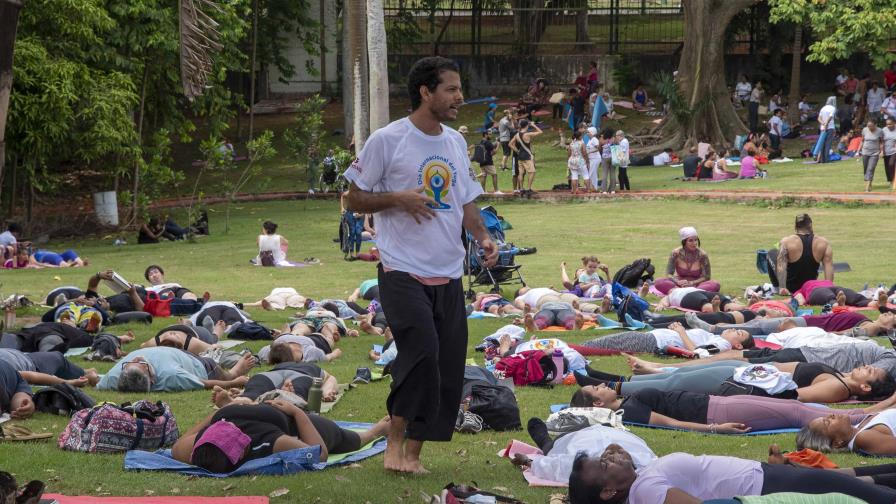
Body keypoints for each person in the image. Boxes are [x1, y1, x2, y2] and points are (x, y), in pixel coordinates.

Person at [343, 56, 498, 474]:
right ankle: (393, 443)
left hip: (448, 271)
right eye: (450, 89)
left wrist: (483, 236)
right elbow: (352, 198)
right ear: (426, 92)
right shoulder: (388, 140)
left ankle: (413, 455)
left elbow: (466, 201)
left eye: (459, 88)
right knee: (420, 353)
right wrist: (397, 198)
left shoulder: (453, 142)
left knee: (447, 367)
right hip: (401, 269)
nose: (459, 97)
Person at [567, 447, 896, 504]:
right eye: (605, 464)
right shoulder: (647, 491)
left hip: (767, 477)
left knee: (865, 485)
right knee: (870, 496)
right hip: (767, 487)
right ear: (608, 492)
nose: (610, 456)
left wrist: (609, 459)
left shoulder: (639, 481)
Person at [571, 384, 889, 433]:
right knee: (797, 414)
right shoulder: (627, 413)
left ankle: (878, 411)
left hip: (720, 403)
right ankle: (875, 417)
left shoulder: (625, 402)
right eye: (596, 389)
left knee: (793, 405)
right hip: (719, 414)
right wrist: (714, 429)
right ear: (598, 403)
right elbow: (670, 424)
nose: (602, 386)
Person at [171, 403, 390, 471]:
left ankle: (377, 430)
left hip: (292, 419)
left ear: (245, 451)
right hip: (232, 412)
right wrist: (223, 411)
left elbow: (319, 455)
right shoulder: (193, 448)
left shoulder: (270, 441)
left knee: (347, 439)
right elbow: (181, 442)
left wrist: (298, 413)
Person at [511, 421, 656, 486]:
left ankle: (543, 438)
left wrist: (526, 460)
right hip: (612, 430)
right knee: (603, 425)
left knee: (548, 446)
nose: (613, 451)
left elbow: (553, 466)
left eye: (606, 462)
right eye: (621, 456)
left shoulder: (585, 464)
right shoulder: (649, 465)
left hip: (574, 438)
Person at [96, 346, 255, 392]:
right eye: (142, 364)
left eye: (131, 363)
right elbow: (203, 383)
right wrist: (234, 381)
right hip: (199, 364)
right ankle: (233, 370)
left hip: (173, 352)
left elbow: (98, 380)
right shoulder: (172, 376)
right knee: (221, 372)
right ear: (152, 378)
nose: (138, 358)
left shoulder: (114, 378)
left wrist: (89, 377)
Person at [580, 322, 754, 356]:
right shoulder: (717, 337)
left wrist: (681, 332)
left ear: (737, 345)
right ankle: (570, 350)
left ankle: (568, 350)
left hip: (654, 342)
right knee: (605, 344)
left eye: (738, 333)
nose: (733, 329)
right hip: (653, 338)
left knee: (603, 345)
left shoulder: (722, 344)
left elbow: (698, 353)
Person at [768, 214, 833, 296]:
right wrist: (829, 289)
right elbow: (829, 266)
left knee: (771, 252)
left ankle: (776, 288)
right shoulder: (823, 243)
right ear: (810, 225)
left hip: (790, 288)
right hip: (809, 286)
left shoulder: (786, 242)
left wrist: (782, 287)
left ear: (796, 227)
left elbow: (781, 266)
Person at [800, 405, 896, 457]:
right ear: (837, 443)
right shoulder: (863, 438)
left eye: (826, 417)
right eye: (828, 422)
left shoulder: (858, 427)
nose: (831, 415)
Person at [654, 226, 719, 294]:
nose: (694, 243)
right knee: (658, 282)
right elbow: (669, 274)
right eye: (691, 240)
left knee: (715, 284)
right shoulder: (675, 253)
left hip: (697, 285)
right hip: (679, 285)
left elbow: (707, 277)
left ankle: (680, 293)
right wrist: (677, 282)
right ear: (684, 242)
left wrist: (692, 283)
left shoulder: (702, 255)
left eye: (696, 240)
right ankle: (691, 293)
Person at [0, 348, 98, 387]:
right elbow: (31, 376)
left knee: (56, 357)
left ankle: (84, 372)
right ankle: (85, 374)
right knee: (57, 358)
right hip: (33, 364)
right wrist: (70, 383)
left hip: (25, 357)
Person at [508, 118, 542, 196]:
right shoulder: (527, 134)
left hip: (520, 156)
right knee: (532, 172)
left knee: (521, 173)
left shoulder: (517, 134)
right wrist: (533, 125)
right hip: (527, 156)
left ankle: (521, 189)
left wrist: (517, 151)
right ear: (526, 125)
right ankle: (529, 188)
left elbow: (510, 144)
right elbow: (540, 132)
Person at [858, 119, 885, 192]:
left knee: (870, 168)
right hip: (865, 152)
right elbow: (862, 141)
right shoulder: (864, 130)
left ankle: (867, 188)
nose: (869, 128)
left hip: (875, 153)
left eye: (871, 126)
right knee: (866, 169)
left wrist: (882, 151)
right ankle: (869, 182)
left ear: (875, 125)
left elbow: (881, 142)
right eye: (868, 126)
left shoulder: (880, 131)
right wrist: (858, 151)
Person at [567, 129, 588, 194]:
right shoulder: (582, 143)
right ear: (580, 136)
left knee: (574, 175)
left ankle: (574, 190)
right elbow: (584, 152)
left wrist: (569, 159)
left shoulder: (571, 143)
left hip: (572, 160)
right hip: (580, 160)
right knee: (585, 175)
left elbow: (569, 153)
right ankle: (588, 189)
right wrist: (586, 159)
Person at [817, 96, 837, 163]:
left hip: (822, 128)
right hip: (830, 127)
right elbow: (830, 117)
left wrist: (823, 123)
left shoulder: (823, 108)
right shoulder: (833, 108)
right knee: (828, 143)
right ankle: (827, 159)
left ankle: (822, 160)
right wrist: (826, 124)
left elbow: (819, 118)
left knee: (822, 143)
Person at [585, 127, 600, 191]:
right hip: (592, 159)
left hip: (595, 158)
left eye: (588, 132)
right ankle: (594, 187)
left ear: (592, 133)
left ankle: (592, 187)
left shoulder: (594, 139)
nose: (587, 133)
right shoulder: (590, 140)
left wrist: (589, 152)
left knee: (591, 173)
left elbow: (598, 148)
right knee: (593, 174)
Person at [884, 118, 896, 190]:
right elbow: (881, 140)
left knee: (891, 164)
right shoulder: (884, 130)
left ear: (894, 123)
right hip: (886, 151)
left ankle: (893, 180)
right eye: (887, 124)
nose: (888, 125)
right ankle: (891, 181)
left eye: (890, 124)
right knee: (887, 167)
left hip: (894, 151)